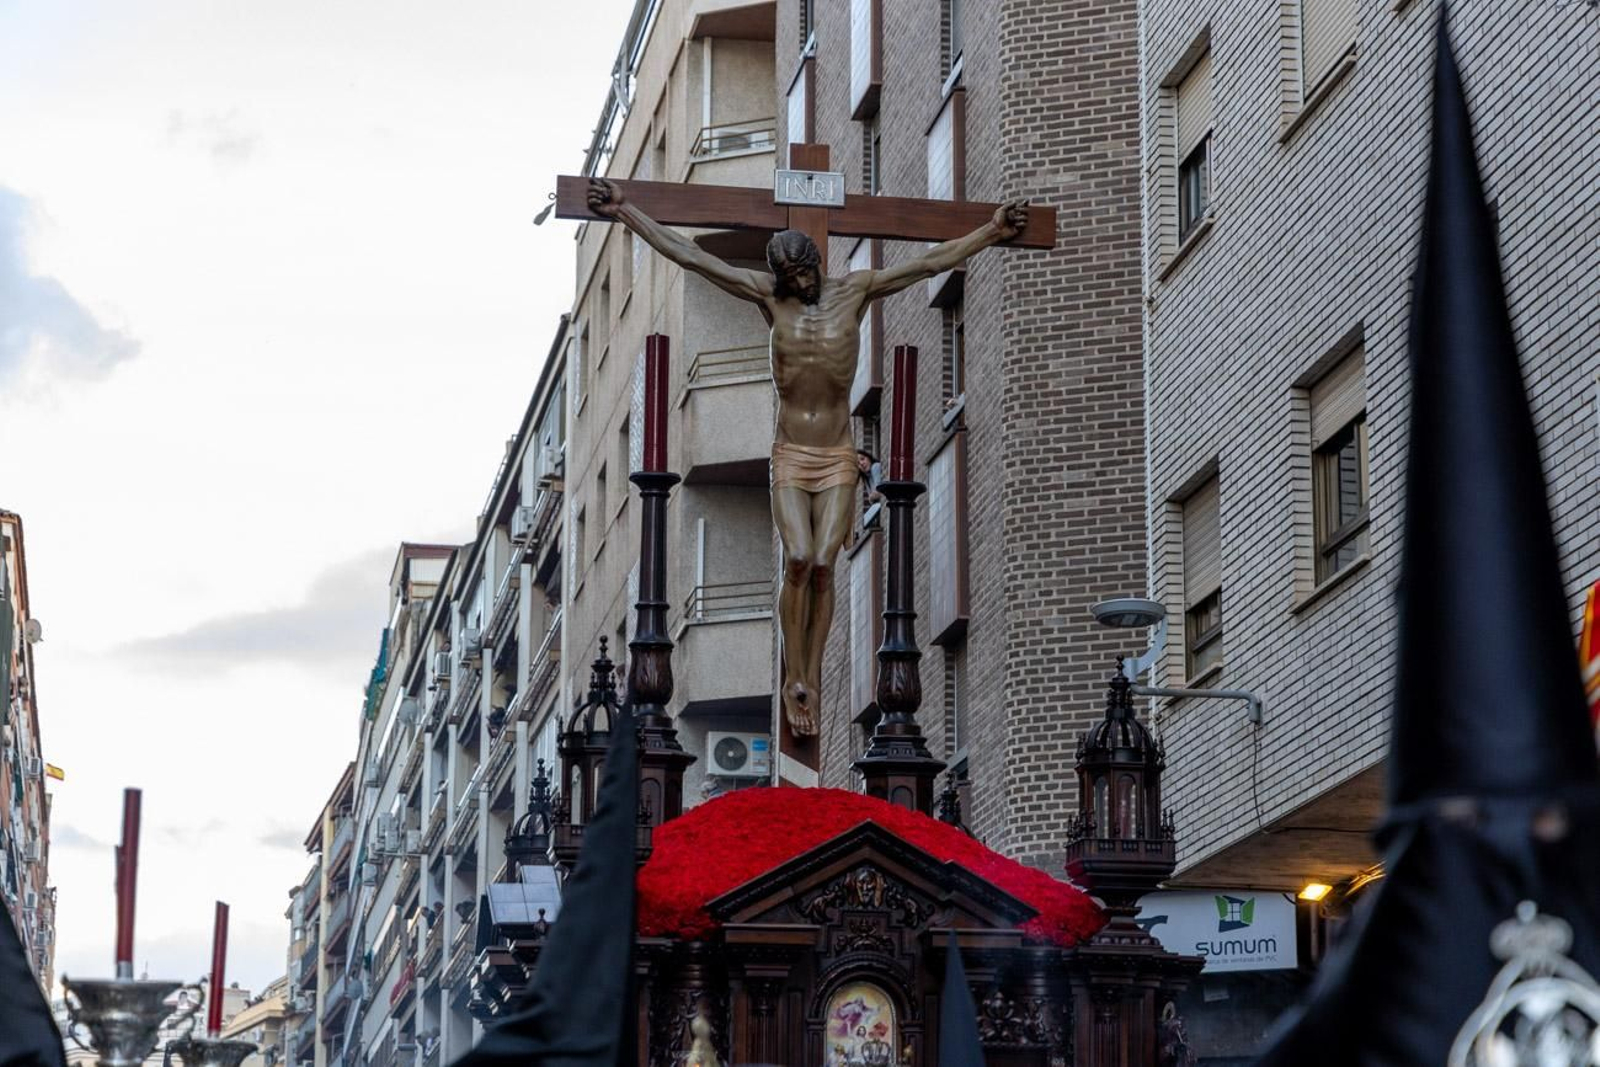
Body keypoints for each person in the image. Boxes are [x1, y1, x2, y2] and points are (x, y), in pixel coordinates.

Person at [587, 177, 1028, 735]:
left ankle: (810, 675)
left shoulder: (856, 290)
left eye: (807, 272)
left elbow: (928, 263)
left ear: (819, 263)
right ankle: (795, 673)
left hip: (838, 454)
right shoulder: (769, 299)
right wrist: (627, 212)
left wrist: (991, 230)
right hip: (791, 452)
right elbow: (690, 257)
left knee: (823, 563)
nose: (803, 283)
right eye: (792, 278)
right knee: (797, 558)